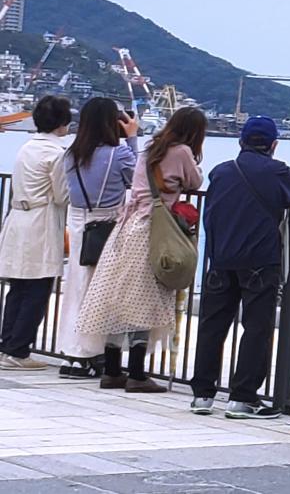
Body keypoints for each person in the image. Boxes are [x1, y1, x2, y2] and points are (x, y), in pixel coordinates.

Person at [76, 104, 207, 392]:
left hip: (127, 226)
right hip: (154, 231)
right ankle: (136, 373)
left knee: (117, 296)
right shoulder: (182, 152)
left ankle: (112, 370)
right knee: (144, 300)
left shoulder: (150, 146)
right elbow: (195, 180)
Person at [186, 116, 290, 418]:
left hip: (220, 259)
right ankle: (243, 397)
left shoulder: (222, 171)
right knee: (256, 328)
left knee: (212, 326)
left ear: (241, 142)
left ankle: (202, 395)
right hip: (259, 261)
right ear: (273, 145)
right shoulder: (278, 171)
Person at [56, 96, 139, 378]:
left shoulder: (70, 153)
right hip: (105, 226)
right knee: (99, 292)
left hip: (77, 222)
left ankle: (73, 352)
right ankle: (90, 353)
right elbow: (137, 178)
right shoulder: (119, 154)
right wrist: (133, 138)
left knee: (75, 288)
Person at [0, 95, 73, 370]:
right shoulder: (56, 153)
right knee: (38, 287)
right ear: (62, 124)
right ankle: (18, 350)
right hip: (41, 219)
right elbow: (61, 194)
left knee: (17, 287)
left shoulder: (27, 147)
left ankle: (7, 344)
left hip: (18, 216)